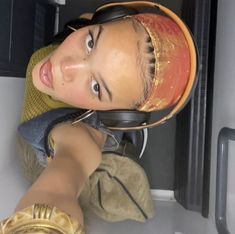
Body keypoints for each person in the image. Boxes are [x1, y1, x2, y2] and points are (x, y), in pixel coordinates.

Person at [0, 1, 197, 233]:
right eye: (91, 43)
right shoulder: (75, 35)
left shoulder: (80, 141)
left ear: (118, 116)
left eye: (96, 87)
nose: (65, 66)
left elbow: (64, 178)